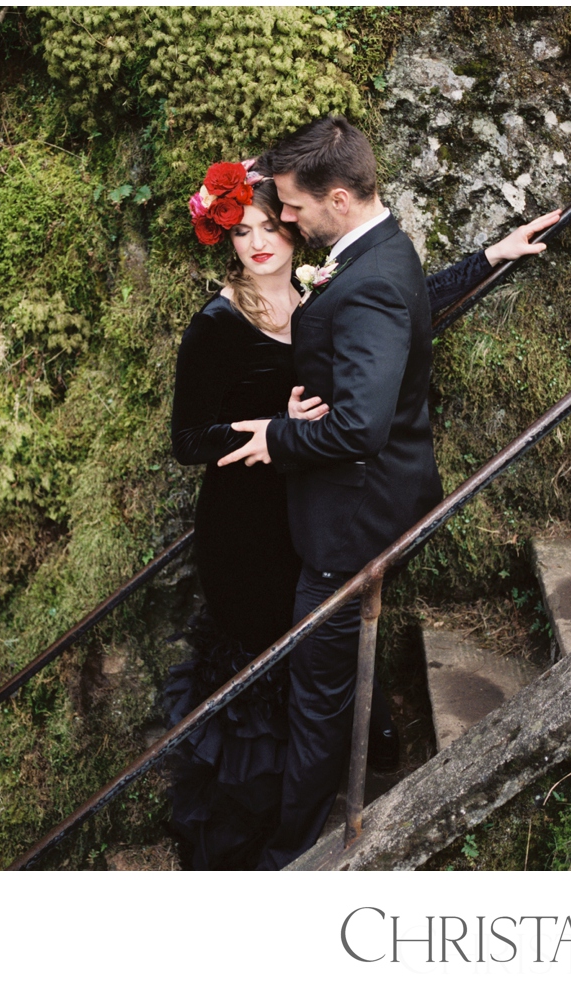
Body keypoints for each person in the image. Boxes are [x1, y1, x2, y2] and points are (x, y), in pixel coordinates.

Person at [218, 116, 561, 869]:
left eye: (295, 208)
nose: (287, 221)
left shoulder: (366, 277)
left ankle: (293, 854)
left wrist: (277, 437)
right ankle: (374, 744)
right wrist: (488, 258)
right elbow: (409, 306)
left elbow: (361, 428)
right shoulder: (383, 247)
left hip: (352, 525)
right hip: (379, 503)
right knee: (329, 673)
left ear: (338, 197)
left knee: (316, 697)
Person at [165, 161, 328, 870]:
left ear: (294, 228)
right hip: (240, 534)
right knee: (255, 678)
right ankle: (238, 847)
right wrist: (272, 426)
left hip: (305, 521)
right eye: (243, 230)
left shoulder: (318, 300)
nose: (258, 243)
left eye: (269, 226)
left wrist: (491, 257)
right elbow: (187, 440)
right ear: (226, 237)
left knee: (306, 664)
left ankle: (302, 818)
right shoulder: (217, 324)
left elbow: (405, 306)